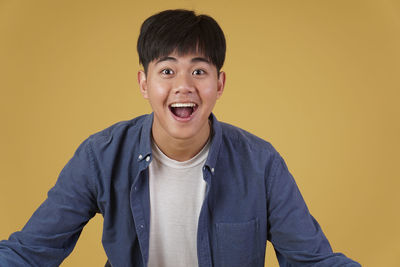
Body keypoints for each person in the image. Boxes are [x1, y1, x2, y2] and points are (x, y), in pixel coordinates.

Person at [0, 9, 360, 267]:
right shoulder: (101, 156)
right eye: (167, 70)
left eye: (199, 71)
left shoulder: (261, 163)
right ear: (145, 84)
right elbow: (29, 252)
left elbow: (313, 260)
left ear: (219, 84)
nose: (184, 86)